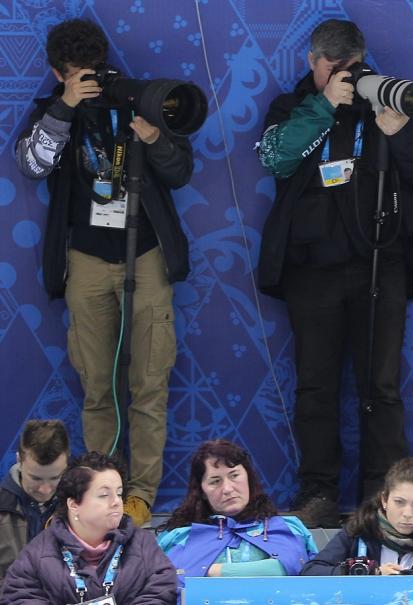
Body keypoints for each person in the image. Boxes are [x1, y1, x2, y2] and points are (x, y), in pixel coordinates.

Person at [256, 19, 413, 527]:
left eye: (350, 67)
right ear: (313, 63)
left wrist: (398, 132)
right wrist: (324, 106)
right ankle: (318, 492)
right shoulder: (293, 105)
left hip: (382, 265)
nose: (342, 76)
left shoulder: (385, 99)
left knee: (380, 388)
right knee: (316, 386)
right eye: (331, 68)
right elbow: (275, 159)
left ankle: (381, 499)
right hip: (312, 270)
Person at [14, 18, 194, 526]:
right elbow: (32, 164)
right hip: (88, 260)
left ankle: (138, 496)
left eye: (91, 72)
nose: (87, 81)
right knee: (97, 385)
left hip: (146, 255)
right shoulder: (54, 112)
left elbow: (180, 171)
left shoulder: (137, 96)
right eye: (75, 75)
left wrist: (154, 136)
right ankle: (100, 491)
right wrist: (65, 106)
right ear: (56, 72)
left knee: (149, 382)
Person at [0, 451, 176, 604]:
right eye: (104, 495)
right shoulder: (38, 552)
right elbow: (19, 596)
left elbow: (162, 590)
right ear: (74, 504)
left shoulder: (144, 545)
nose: (116, 502)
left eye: (120, 493)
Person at [156, 440, 317, 587]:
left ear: (248, 477)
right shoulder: (179, 537)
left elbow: (291, 568)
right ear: (202, 491)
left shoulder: (287, 528)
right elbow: (170, 582)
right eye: (215, 481)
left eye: (234, 476)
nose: (227, 489)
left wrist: (212, 571)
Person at [302, 458, 413, 575]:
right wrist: (371, 573)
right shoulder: (360, 529)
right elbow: (310, 571)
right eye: (399, 502)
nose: (407, 513)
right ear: (384, 500)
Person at [0, 420, 70, 585]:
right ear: (19, 460)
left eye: (55, 478)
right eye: (36, 478)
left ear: (66, 464)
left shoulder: (82, 505)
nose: (45, 489)